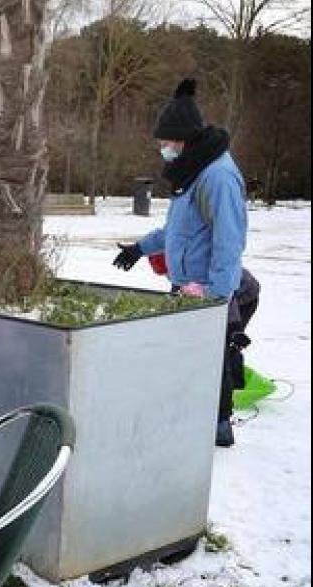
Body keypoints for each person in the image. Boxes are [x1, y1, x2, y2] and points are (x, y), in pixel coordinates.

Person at [112, 78, 259, 448]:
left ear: (184, 140)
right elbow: (177, 230)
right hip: (185, 288)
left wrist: (215, 295)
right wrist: (139, 249)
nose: (162, 149)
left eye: (166, 142)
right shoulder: (192, 172)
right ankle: (185, 416)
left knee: (213, 357)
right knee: (185, 357)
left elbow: (229, 242)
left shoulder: (218, 176)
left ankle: (219, 425)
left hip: (206, 291)